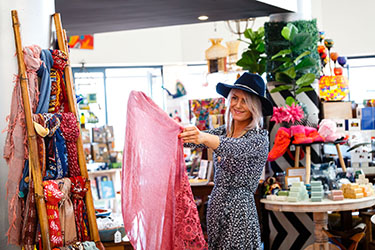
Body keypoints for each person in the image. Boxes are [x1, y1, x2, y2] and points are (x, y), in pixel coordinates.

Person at [179, 72, 273, 250]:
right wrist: (173, 129)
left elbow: (234, 148)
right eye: (235, 98)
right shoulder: (224, 130)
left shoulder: (259, 137)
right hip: (216, 206)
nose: (237, 105)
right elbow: (192, 141)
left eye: (245, 101)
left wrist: (203, 137)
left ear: (255, 106)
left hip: (240, 211)